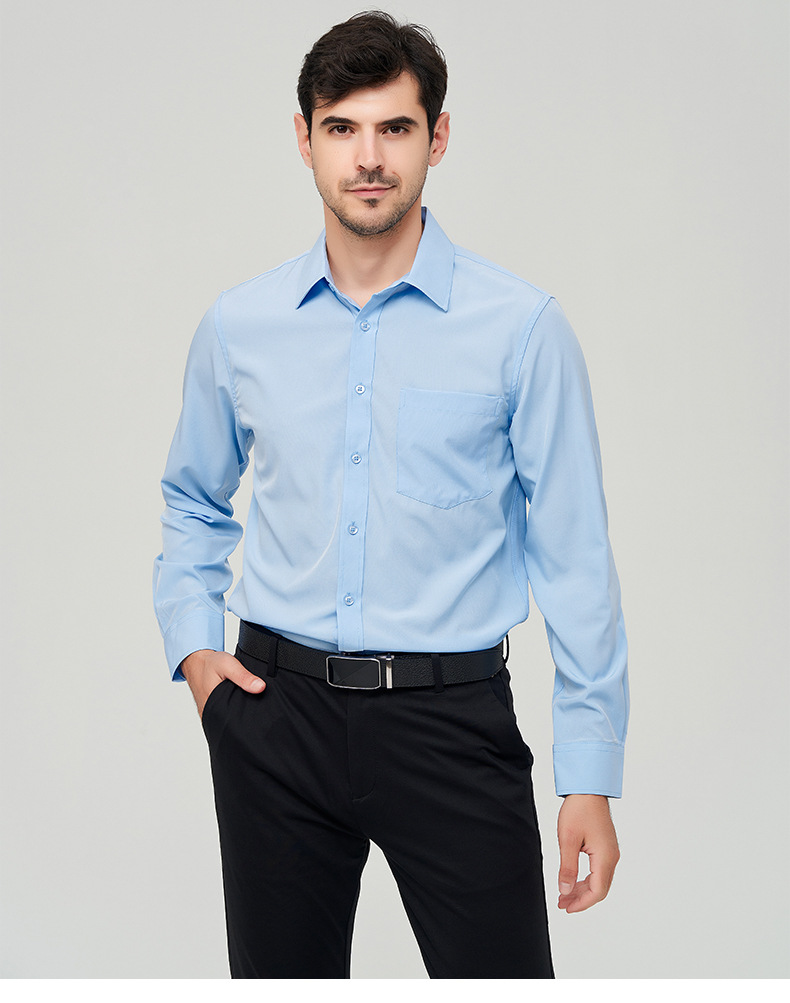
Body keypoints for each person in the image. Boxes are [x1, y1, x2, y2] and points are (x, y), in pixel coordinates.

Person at [153, 10, 628, 979]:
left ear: (437, 137)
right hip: (274, 718)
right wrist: (198, 656)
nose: (368, 158)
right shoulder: (240, 327)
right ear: (305, 139)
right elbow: (193, 500)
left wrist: (589, 771)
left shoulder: (520, 329)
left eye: (395, 128)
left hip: (449, 724)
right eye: (342, 128)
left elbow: (575, 557)